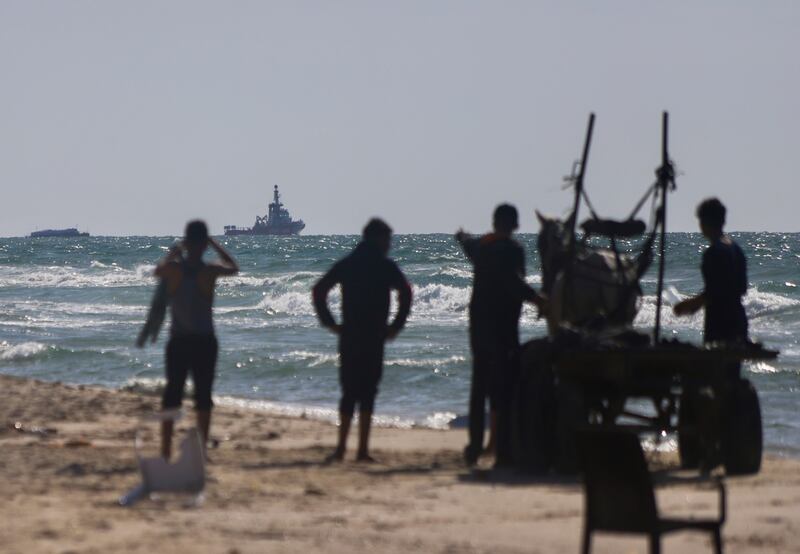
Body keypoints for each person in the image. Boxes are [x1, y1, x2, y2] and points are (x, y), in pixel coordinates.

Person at [313, 218, 412, 462]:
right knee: (368, 392)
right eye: (387, 240)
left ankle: (340, 449)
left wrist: (330, 323)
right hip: (374, 335)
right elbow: (406, 292)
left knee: (348, 391)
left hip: (349, 335)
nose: (389, 245)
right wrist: (396, 326)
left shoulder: (349, 263)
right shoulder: (384, 265)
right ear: (378, 239)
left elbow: (319, 290)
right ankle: (362, 451)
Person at [456, 204, 546, 467]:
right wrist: (538, 299)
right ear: (515, 225)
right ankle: (501, 450)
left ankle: (474, 448)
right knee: (502, 389)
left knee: (479, 388)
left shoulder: (481, 247)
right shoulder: (513, 250)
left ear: (494, 222)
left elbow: (467, 243)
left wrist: (461, 236)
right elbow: (513, 282)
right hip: (504, 328)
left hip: (479, 329)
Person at [154, 220, 239, 459]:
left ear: (187, 241)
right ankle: (200, 450)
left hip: (179, 341)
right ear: (204, 244)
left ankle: (165, 450)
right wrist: (216, 245)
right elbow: (234, 267)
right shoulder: (209, 271)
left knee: (172, 395)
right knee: (203, 396)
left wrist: (175, 250)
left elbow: (158, 270)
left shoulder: (174, 270)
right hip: (204, 341)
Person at [673, 198, 748, 344]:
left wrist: (687, 305)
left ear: (704, 222)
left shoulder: (714, 252)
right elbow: (740, 289)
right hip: (738, 320)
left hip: (720, 324)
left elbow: (714, 293)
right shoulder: (737, 249)